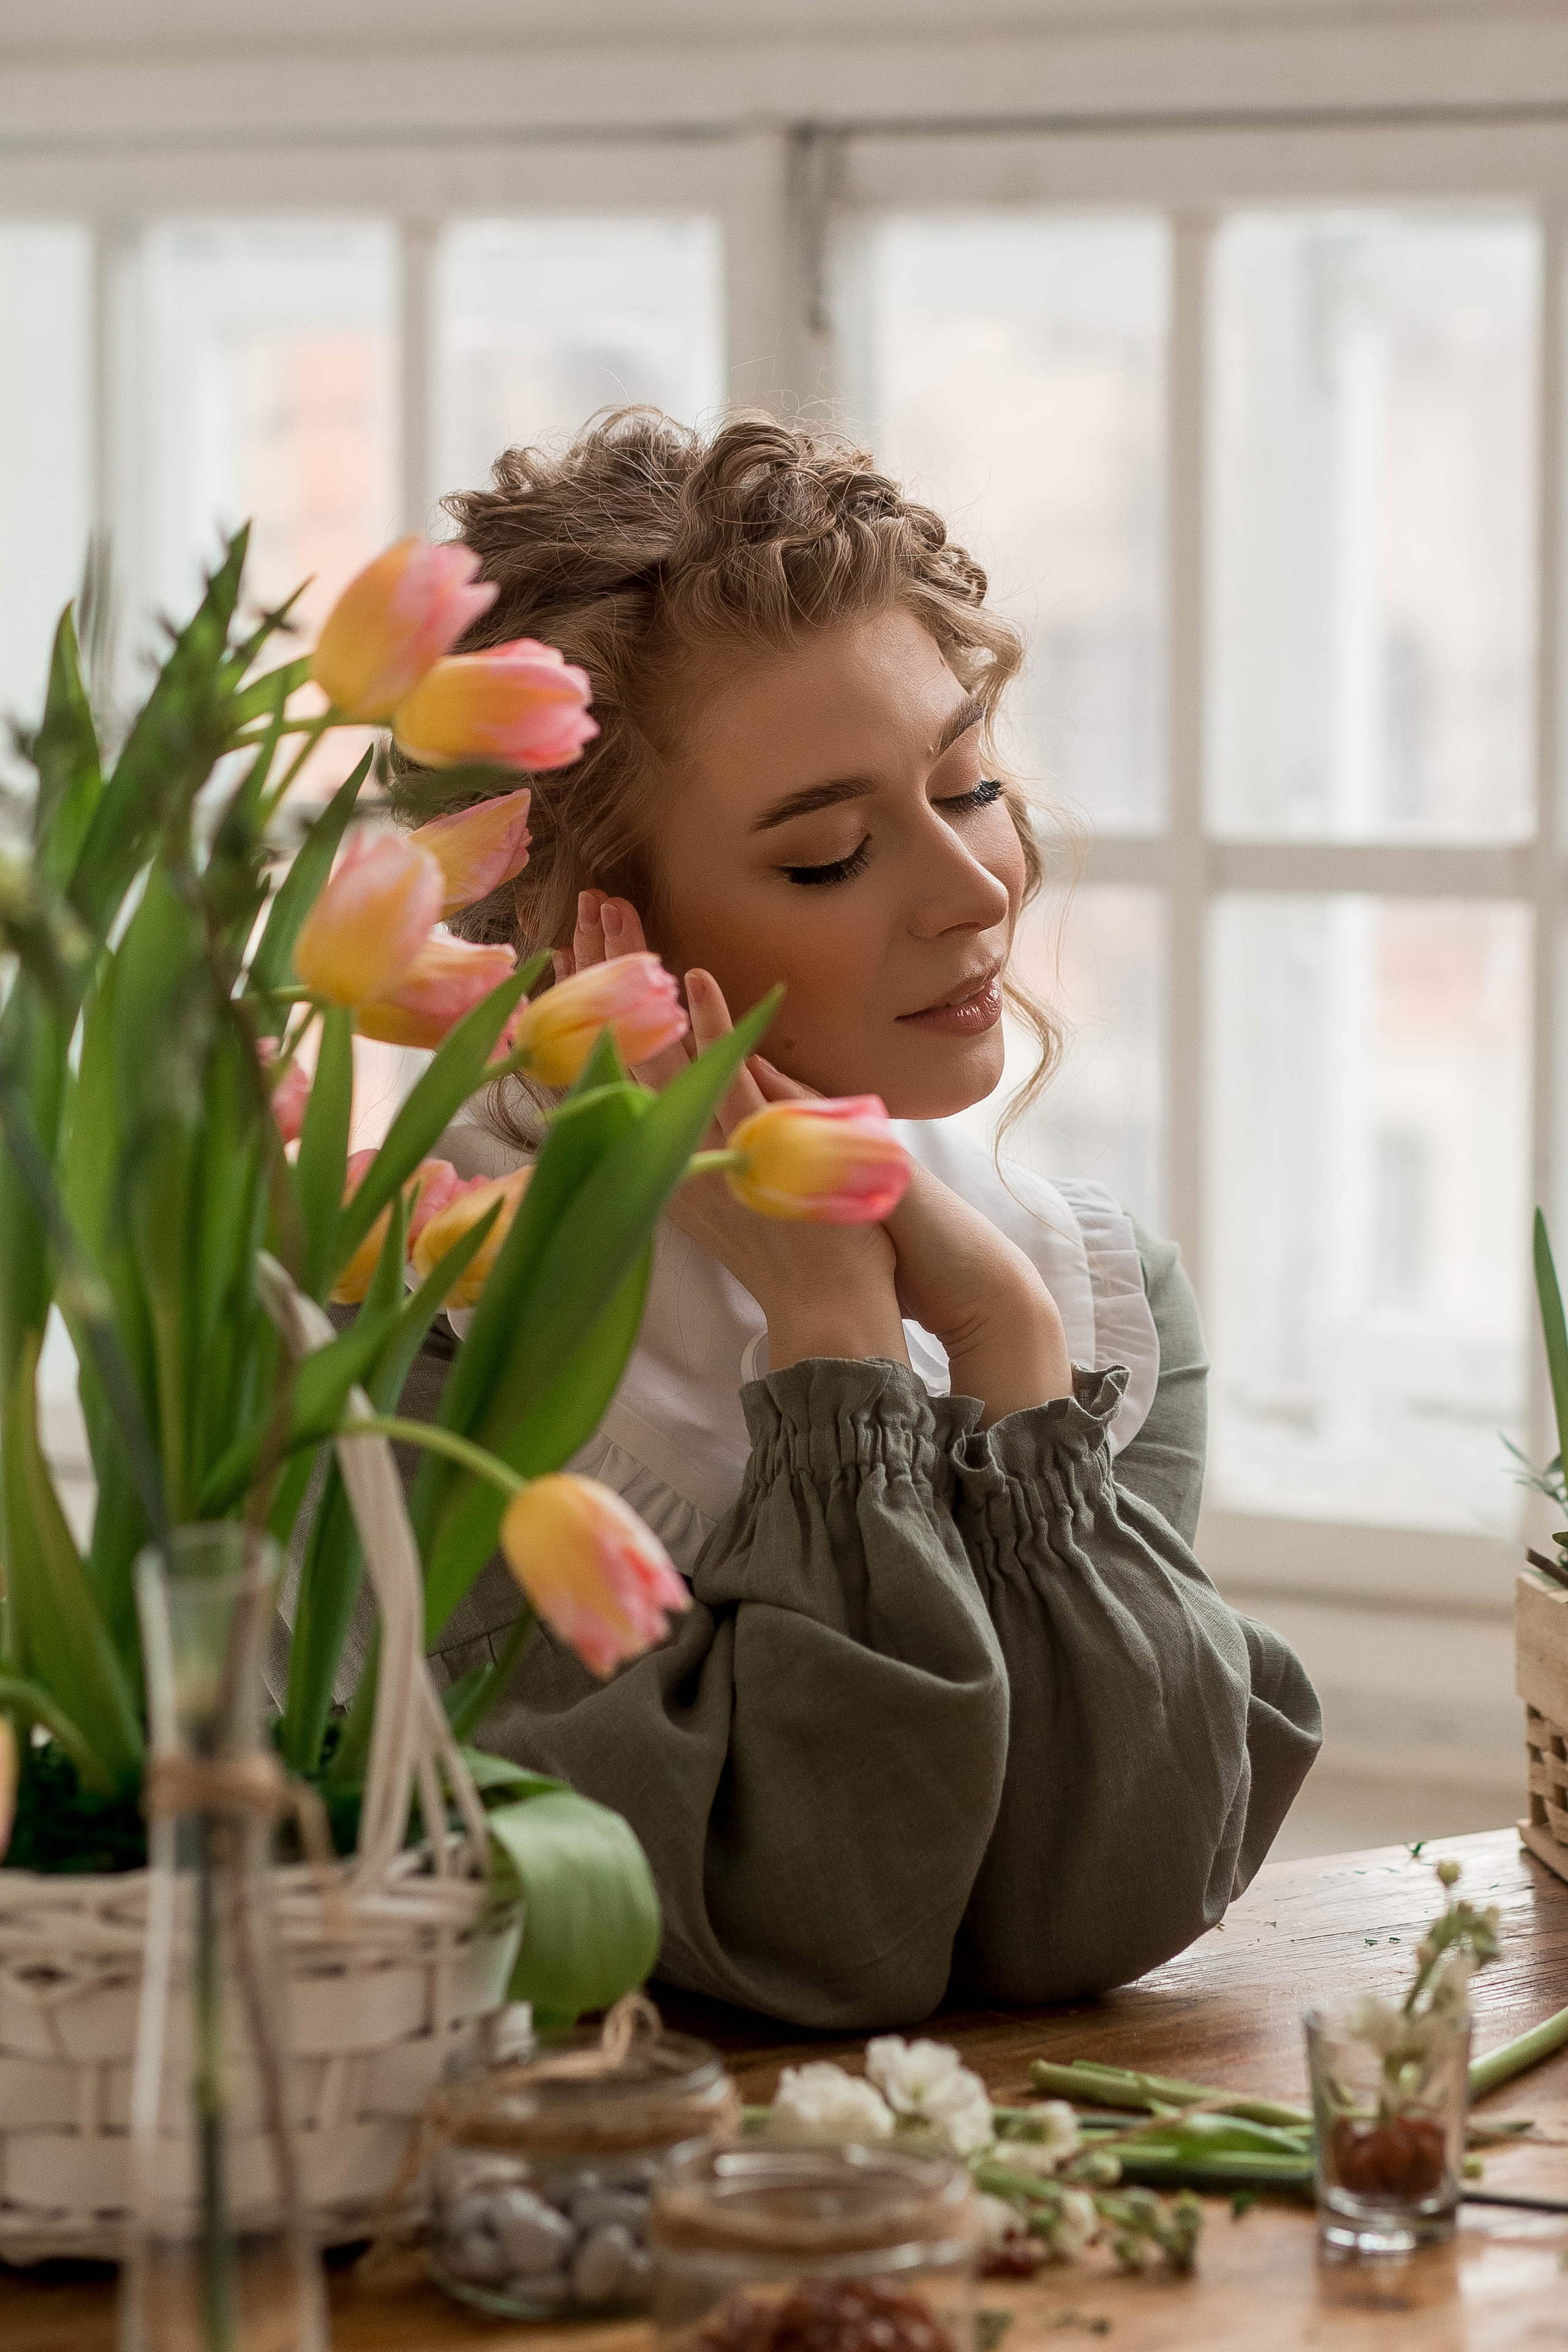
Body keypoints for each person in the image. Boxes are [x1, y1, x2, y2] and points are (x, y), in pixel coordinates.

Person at [392, 409, 1321, 2029]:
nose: (977, 890)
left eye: (966, 784)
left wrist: (1006, 1350)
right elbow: (809, 1938)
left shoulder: (1088, 1294)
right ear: (581, 935)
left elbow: (1106, 1903)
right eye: (828, 858)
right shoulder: (418, 1334)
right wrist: (831, 1345)